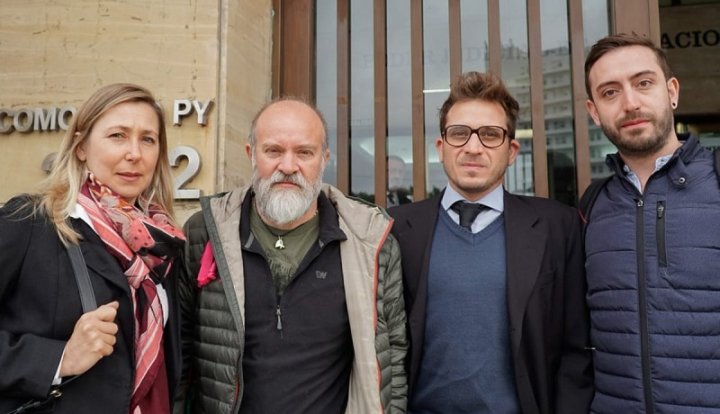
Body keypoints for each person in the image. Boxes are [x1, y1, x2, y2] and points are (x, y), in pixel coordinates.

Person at [178, 97, 408, 413]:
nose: (288, 166)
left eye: (304, 152)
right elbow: (181, 352)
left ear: (324, 159)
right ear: (250, 154)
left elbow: (392, 358)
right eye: (273, 151)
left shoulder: (370, 240)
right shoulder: (204, 231)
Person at [389, 71, 593, 413]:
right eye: (459, 134)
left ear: (511, 150)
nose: (473, 147)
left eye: (489, 135)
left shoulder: (558, 226)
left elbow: (577, 348)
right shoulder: (397, 228)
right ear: (441, 147)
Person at [0, 83, 185, 414]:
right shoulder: (29, 222)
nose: (134, 153)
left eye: (147, 139)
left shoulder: (164, 245)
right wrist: (59, 359)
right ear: (81, 146)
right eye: (117, 135)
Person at [583, 33, 720, 413]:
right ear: (594, 112)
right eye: (610, 93)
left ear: (672, 91)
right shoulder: (593, 206)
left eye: (643, 83)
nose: (630, 103)